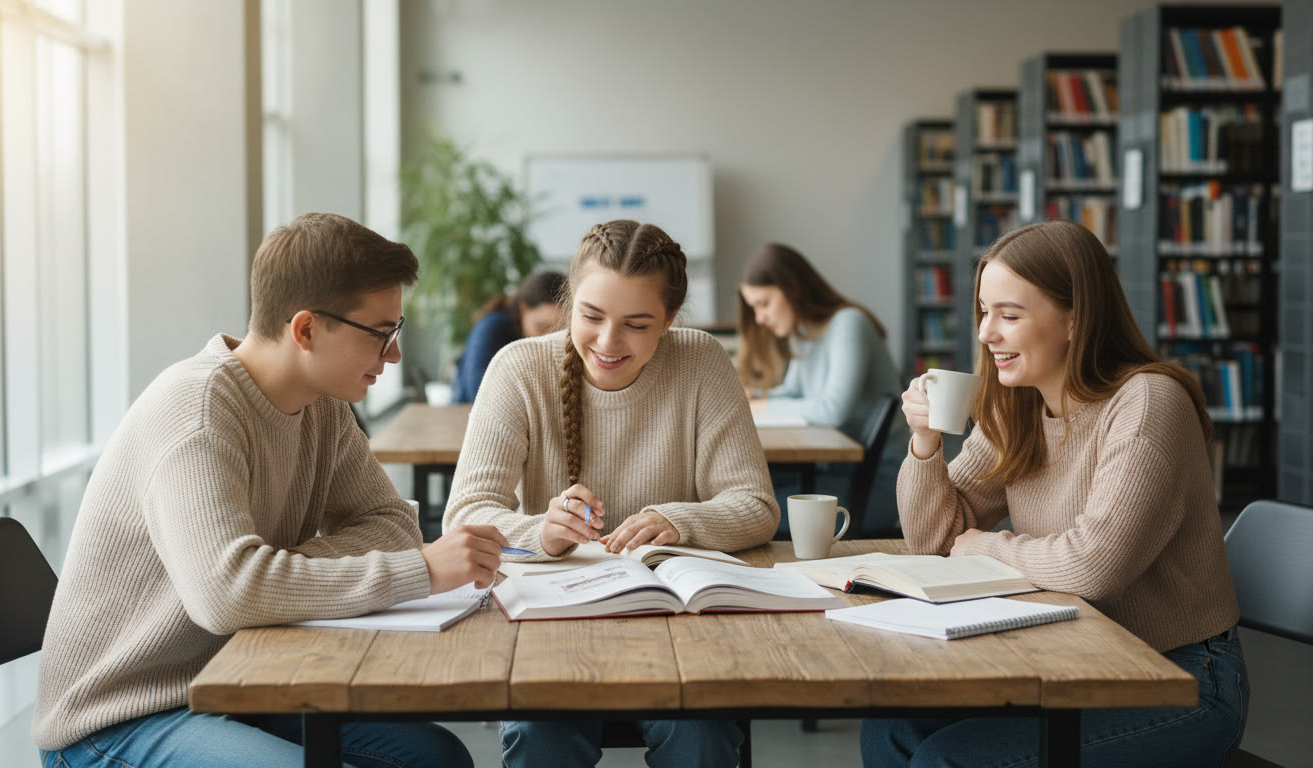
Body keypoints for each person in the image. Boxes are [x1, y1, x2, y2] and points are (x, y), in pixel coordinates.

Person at [32, 213, 511, 768]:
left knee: (435, 757)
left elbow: (391, 523)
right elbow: (228, 595)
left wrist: (273, 571)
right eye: (382, 334)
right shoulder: (197, 414)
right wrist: (420, 572)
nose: (395, 355)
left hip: (238, 675)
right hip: (120, 717)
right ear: (306, 329)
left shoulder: (323, 405)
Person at [861, 220, 1248, 767]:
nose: (985, 333)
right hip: (1069, 656)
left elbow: (1092, 567)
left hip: (1178, 676)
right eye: (983, 312)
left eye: (1009, 315)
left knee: (947, 761)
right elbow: (934, 541)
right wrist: (925, 446)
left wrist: (983, 546)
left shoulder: (1146, 405)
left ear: (1074, 319)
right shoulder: (1019, 406)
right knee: (892, 731)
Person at [443, 219, 778, 768]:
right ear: (569, 301)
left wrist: (678, 520)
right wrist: (541, 533)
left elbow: (755, 506)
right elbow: (464, 517)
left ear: (669, 320)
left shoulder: (701, 362)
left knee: (700, 737)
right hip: (552, 621)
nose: (607, 342)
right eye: (591, 316)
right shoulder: (518, 368)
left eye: (637, 324)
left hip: (676, 623)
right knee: (540, 734)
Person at [736, 243, 901, 535]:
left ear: (792, 288)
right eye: (754, 308)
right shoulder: (806, 333)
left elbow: (832, 410)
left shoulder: (849, 323)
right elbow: (794, 392)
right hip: (838, 474)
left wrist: (762, 406)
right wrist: (757, 397)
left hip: (874, 485)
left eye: (764, 304)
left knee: (742, 510)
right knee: (741, 495)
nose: (759, 318)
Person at [452, 270, 567, 403]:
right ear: (523, 310)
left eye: (559, 332)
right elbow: (478, 390)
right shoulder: (492, 327)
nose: (549, 339)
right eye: (542, 327)